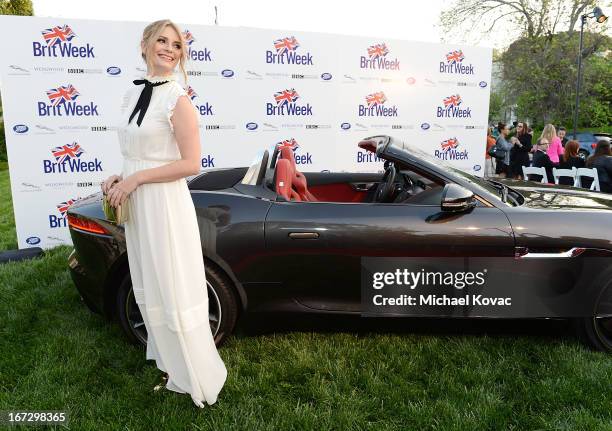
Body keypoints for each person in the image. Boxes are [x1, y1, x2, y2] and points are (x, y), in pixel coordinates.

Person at [101, 19, 227, 408]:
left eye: (177, 45)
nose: (170, 49)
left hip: (165, 206)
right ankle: (173, 368)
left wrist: (137, 179)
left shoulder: (179, 99)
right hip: (139, 204)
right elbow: (138, 152)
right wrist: (121, 176)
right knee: (151, 284)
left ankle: (197, 377)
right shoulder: (130, 93)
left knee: (173, 286)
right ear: (145, 45)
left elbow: (190, 163)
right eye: (162, 41)